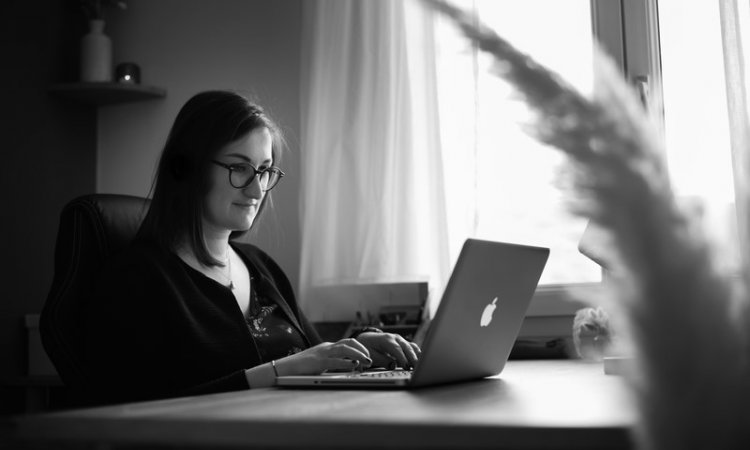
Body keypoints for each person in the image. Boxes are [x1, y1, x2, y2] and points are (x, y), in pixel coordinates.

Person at [83, 90, 421, 405]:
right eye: (240, 168)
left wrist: (363, 348)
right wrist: (278, 371)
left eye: (264, 171)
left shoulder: (261, 267)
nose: (258, 191)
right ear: (187, 169)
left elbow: (315, 354)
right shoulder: (137, 278)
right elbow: (137, 409)